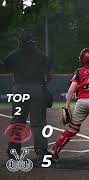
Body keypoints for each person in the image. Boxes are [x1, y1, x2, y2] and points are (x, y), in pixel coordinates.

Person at [2, 31, 52, 164]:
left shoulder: (14, 55)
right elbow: (49, 75)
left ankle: (13, 152)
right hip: (37, 88)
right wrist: (43, 87)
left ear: (20, 42)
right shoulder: (42, 56)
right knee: (39, 123)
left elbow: (6, 66)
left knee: (17, 121)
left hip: (19, 89)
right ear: (33, 41)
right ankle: (42, 154)